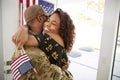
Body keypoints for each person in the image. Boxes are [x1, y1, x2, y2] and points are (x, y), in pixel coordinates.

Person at [12, 6, 75, 80]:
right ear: (40, 18)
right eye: (47, 19)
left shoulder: (29, 40)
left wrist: (24, 27)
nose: (47, 23)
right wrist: (68, 73)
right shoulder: (35, 54)